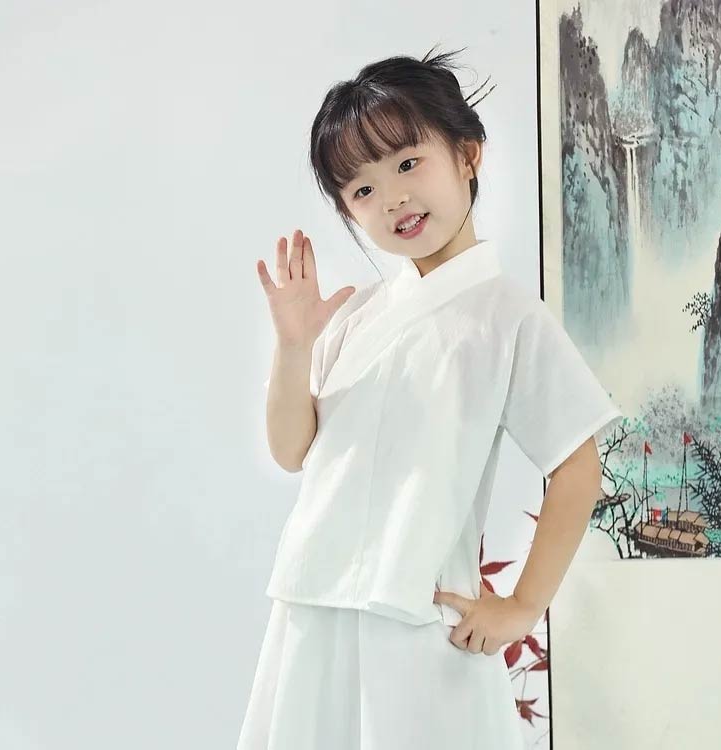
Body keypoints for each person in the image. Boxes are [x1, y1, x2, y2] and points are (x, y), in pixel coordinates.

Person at [239, 44, 623, 750]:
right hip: (311, 605)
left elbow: (577, 466)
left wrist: (523, 605)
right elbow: (292, 451)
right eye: (361, 190)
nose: (392, 198)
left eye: (408, 163)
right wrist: (293, 346)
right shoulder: (356, 314)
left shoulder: (507, 316)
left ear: (467, 156)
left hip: (418, 614)